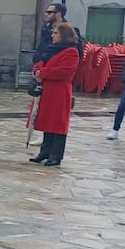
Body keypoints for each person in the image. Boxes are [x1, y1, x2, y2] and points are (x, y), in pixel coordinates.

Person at [29, 22, 80, 167]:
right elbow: (40, 62)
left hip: (59, 91)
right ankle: (44, 152)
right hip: (47, 89)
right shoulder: (51, 49)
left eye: (55, 33)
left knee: (57, 124)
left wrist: (42, 73)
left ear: (64, 35)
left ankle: (56, 155)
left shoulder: (71, 51)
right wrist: (37, 71)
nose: (52, 35)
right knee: (47, 122)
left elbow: (65, 71)